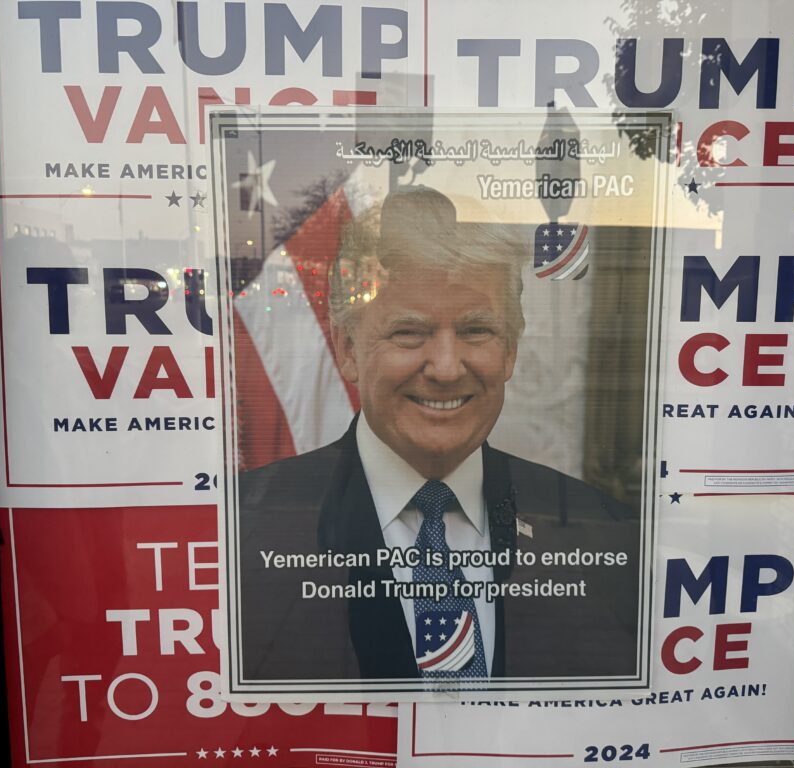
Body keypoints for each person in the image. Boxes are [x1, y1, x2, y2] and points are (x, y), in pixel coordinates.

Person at [235, 187, 641, 686]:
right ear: (348, 351)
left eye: (476, 331)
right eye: (409, 332)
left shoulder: (607, 537)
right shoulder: (238, 535)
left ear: (510, 350)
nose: (447, 368)